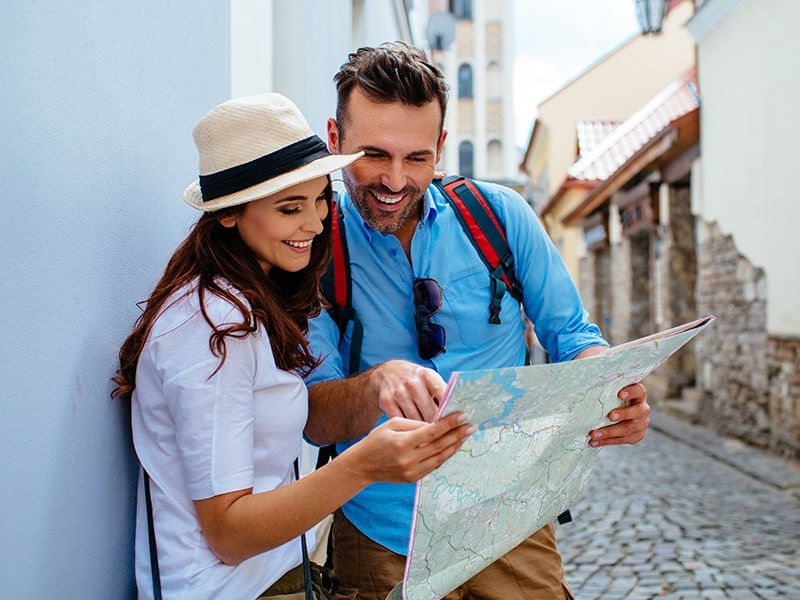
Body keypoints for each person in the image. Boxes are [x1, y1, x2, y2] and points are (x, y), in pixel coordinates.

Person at [303, 42, 651, 600]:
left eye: (417, 158)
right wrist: (375, 385)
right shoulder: (310, 251)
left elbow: (573, 338)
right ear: (335, 139)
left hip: (509, 517)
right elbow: (315, 421)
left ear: (442, 148)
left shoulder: (501, 215)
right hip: (382, 532)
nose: (395, 181)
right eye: (374, 155)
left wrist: (611, 386)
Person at [111, 92, 474, 600]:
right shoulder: (213, 328)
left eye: (319, 198)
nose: (316, 222)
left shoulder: (242, 304)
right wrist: (364, 464)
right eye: (289, 208)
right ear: (230, 215)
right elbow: (229, 533)